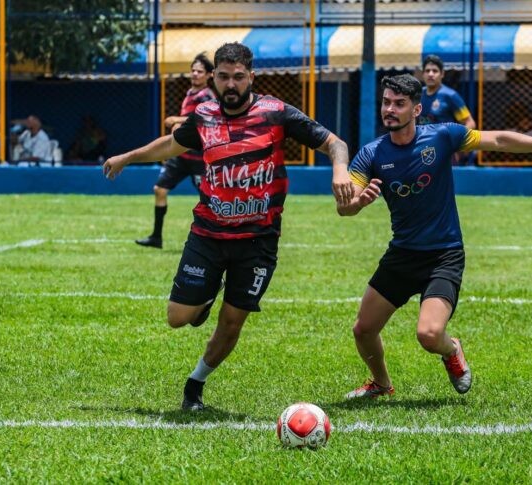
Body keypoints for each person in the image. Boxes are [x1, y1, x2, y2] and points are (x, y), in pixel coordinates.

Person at [103, 42, 353, 411]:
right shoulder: (203, 116)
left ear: (251, 76)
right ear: (215, 78)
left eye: (238, 77)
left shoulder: (276, 113)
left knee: (232, 321)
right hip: (208, 234)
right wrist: (127, 157)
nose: (231, 84)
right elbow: (171, 145)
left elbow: (336, 143)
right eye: (223, 77)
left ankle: (195, 384)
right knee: (178, 318)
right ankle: (207, 293)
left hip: (259, 241)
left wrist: (340, 171)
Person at [337, 74, 532, 400]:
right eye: (386, 102)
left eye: (399, 104)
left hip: (444, 254)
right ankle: (381, 384)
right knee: (363, 329)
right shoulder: (371, 154)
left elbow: (498, 140)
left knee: (429, 334)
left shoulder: (443, 136)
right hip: (402, 254)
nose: (390, 109)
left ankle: (452, 350)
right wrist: (357, 203)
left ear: (416, 109)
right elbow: (345, 208)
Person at [135, 53, 216, 249]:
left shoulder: (207, 96)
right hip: (181, 155)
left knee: (210, 201)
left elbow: (205, 118)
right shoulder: (190, 93)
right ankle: (156, 237)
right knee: (160, 190)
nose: (195, 74)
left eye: (200, 71)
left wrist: (176, 120)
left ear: (209, 75)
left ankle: (218, 239)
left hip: (199, 158)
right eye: (193, 70)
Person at [419, 55, 476, 128]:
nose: (430, 74)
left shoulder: (451, 95)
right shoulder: (418, 94)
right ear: (423, 74)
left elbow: (470, 123)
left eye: (435, 71)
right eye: (427, 71)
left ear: (442, 74)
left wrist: (456, 135)